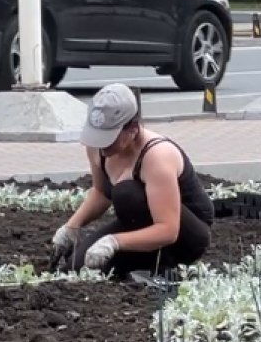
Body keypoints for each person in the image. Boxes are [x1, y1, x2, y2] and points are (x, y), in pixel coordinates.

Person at [52, 83, 213, 277]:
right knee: (78, 268)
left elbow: (168, 230)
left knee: (127, 193)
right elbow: (102, 192)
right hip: (137, 223)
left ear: (133, 129)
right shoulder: (97, 147)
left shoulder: (157, 157)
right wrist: (72, 227)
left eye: (108, 138)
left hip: (183, 237)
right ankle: (135, 261)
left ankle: (159, 264)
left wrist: (114, 242)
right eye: (97, 136)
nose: (101, 145)